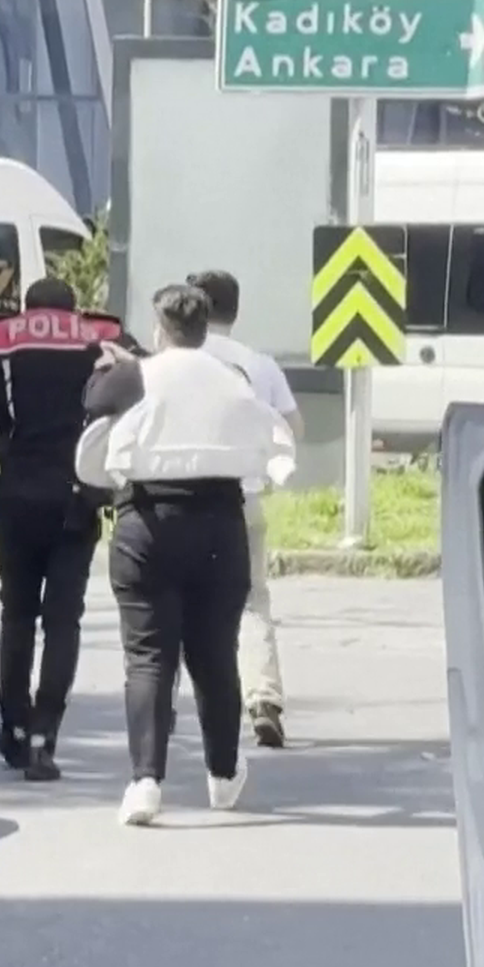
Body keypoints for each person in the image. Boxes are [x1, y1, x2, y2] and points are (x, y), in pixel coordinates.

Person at [78, 283, 295, 827]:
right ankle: (223, 775)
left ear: (159, 329)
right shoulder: (235, 377)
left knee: (148, 657)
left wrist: (124, 365)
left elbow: (93, 402)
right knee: (215, 654)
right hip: (220, 524)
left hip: (147, 522)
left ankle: (145, 782)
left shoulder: (137, 375)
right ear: (206, 330)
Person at [0, 277, 132, 782]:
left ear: (30, 308)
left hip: (17, 497)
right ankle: (47, 735)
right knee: (63, 619)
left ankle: (15, 728)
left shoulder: (2, 337)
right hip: (79, 498)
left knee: (18, 614)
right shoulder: (103, 337)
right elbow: (138, 396)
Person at [188, 270, 304, 748]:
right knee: (253, 601)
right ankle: (264, 700)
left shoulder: (178, 360)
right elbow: (292, 425)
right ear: (235, 311)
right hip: (244, 497)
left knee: (182, 602)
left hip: (185, 496)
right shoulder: (260, 365)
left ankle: (176, 705)